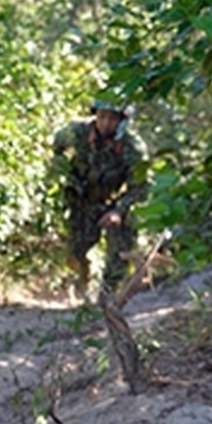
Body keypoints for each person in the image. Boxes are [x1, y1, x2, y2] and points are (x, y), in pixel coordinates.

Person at [51, 98, 149, 295]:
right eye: (101, 116)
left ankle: (109, 294)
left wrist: (118, 211)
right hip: (82, 201)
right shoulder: (77, 132)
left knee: (122, 245)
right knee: (75, 251)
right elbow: (55, 147)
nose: (105, 123)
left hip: (113, 203)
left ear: (122, 121)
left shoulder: (132, 147)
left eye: (112, 119)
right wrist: (65, 176)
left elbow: (139, 188)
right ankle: (82, 284)